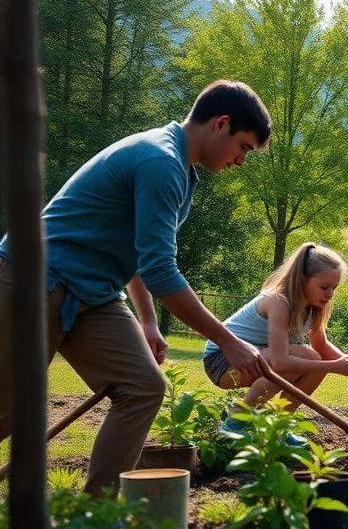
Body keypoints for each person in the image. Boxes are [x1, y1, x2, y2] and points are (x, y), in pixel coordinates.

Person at [0, 79, 272, 495]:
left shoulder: (179, 170)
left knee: (142, 387)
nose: (241, 160)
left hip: (94, 293)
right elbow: (162, 272)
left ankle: (97, 513)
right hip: (36, 279)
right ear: (221, 124)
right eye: (244, 147)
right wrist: (229, 342)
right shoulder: (160, 161)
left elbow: (142, 254)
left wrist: (147, 321)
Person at [203, 243, 348, 443]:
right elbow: (280, 363)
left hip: (257, 357)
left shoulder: (314, 307)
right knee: (306, 357)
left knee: (315, 359)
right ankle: (235, 421)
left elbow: (322, 347)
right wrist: (334, 366)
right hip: (222, 360)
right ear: (301, 279)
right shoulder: (279, 301)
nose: (330, 294)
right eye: (324, 287)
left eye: (334, 288)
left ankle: (279, 426)